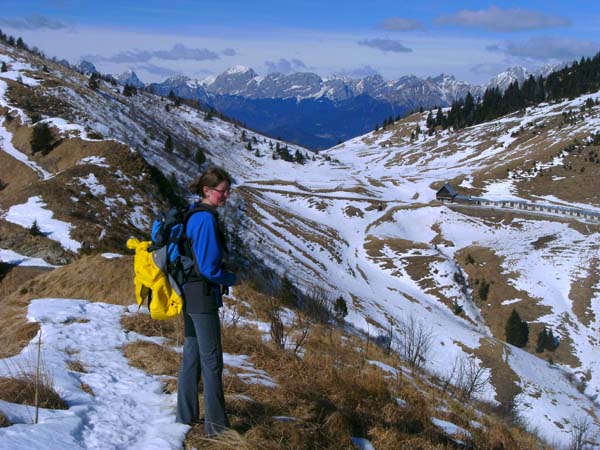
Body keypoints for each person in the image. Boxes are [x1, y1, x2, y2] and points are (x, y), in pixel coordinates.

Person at [176, 167, 236, 436]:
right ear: (207, 191)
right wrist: (232, 278)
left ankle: (185, 415)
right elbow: (208, 268)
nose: (226, 196)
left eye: (228, 191)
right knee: (212, 361)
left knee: (192, 355)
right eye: (223, 191)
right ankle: (217, 429)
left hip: (189, 292)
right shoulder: (206, 220)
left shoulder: (193, 214)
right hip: (202, 296)